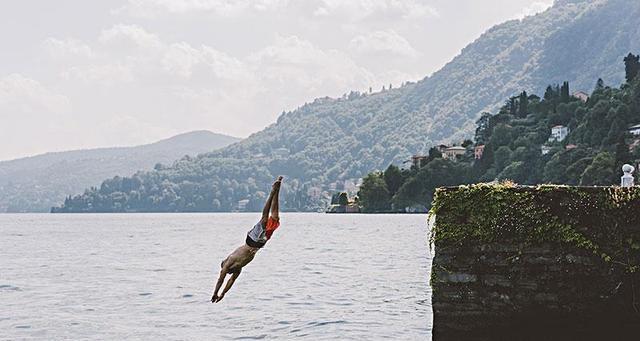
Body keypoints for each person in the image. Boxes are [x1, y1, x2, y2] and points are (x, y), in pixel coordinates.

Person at [211, 176, 283, 303]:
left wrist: (217, 293)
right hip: (259, 244)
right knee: (275, 218)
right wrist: (221, 294)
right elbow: (228, 281)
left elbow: (223, 280)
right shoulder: (235, 268)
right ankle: (277, 190)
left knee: (265, 219)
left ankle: (272, 192)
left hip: (251, 240)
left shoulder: (230, 262)